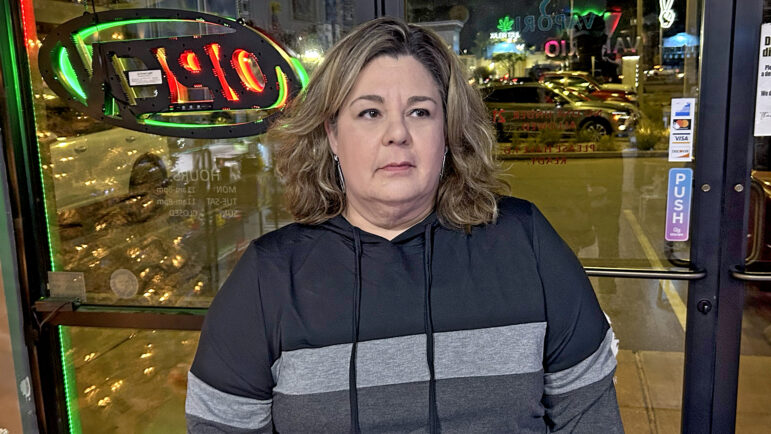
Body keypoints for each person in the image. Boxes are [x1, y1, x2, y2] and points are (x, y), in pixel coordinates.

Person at [186, 17, 623, 433]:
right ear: (333, 135)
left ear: (448, 134)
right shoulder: (269, 276)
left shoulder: (525, 241)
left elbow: (587, 414)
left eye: (420, 112)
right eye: (370, 113)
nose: (397, 134)